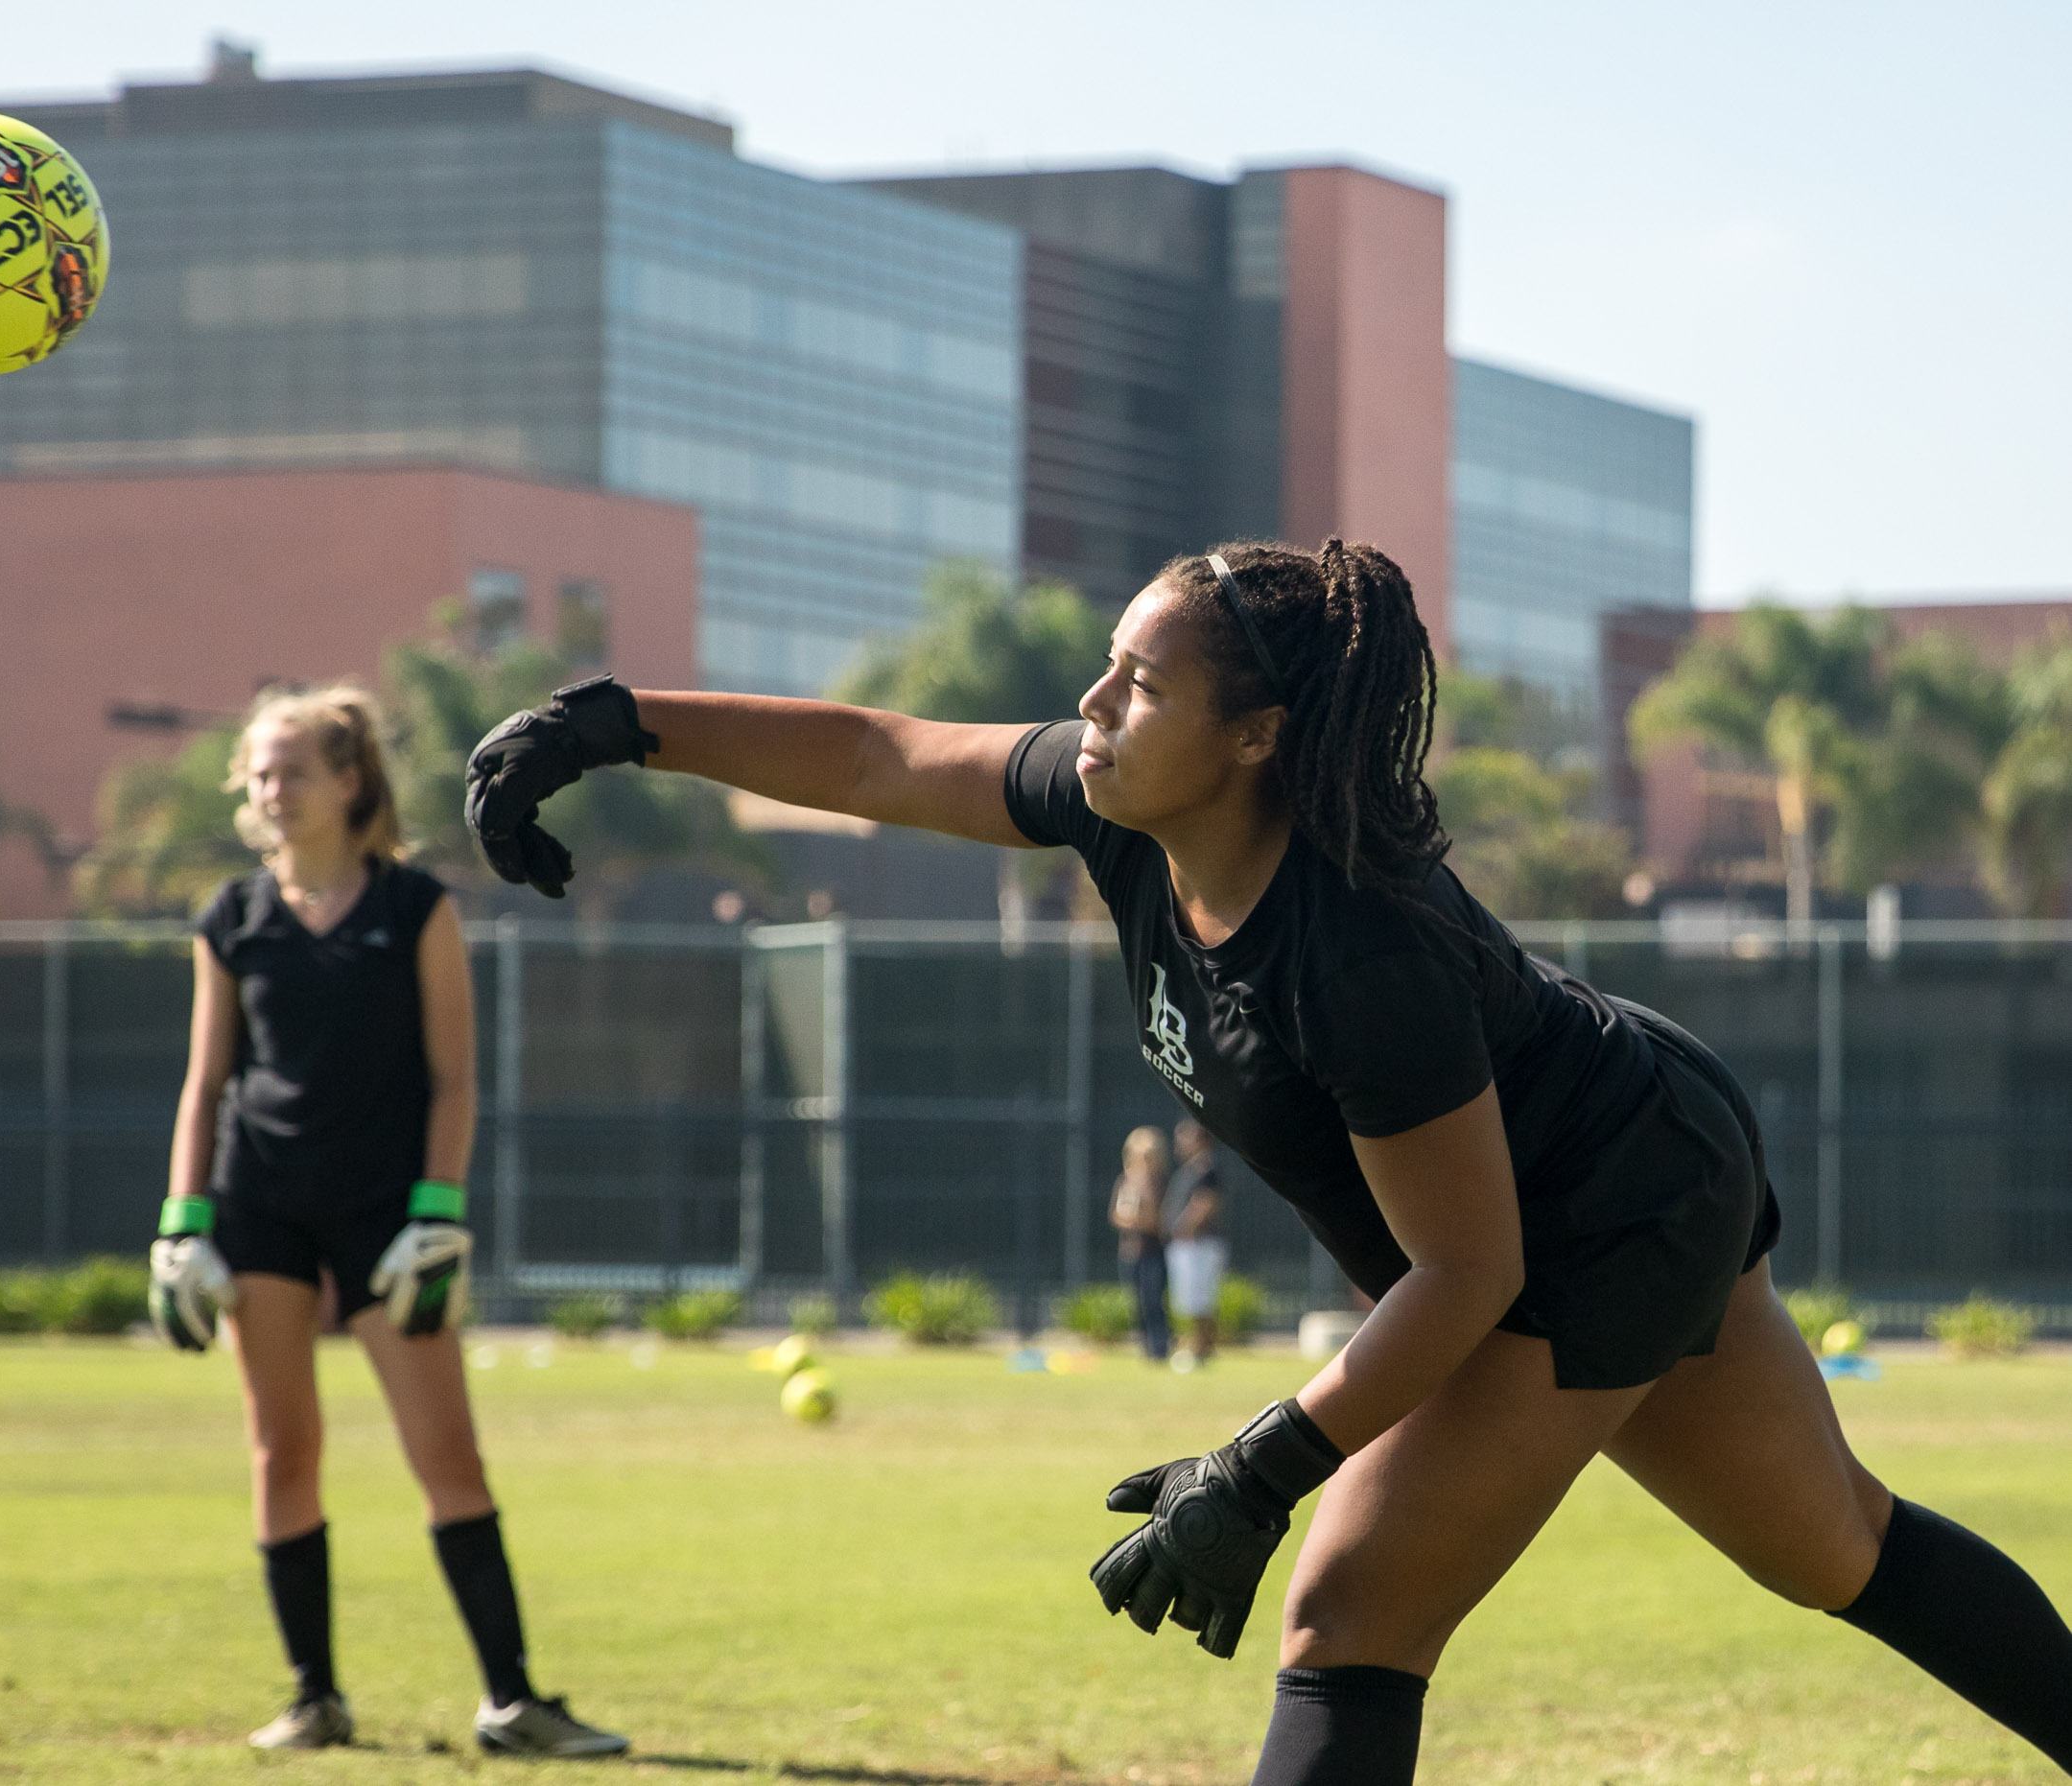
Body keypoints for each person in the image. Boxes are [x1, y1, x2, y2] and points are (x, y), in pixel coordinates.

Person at [463, 562, 2072, 1783]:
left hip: (1608, 1205)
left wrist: (1253, 1469)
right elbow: (887, 755)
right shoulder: (1121, 817)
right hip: (1600, 1164)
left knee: (1349, 1606)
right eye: (1105, 670)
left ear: (1255, 738)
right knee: (1833, 1544)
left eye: (1137, 684)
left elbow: (1470, 1275)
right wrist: (617, 726)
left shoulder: (1356, 950)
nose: (1091, 705)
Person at [149, 683, 625, 1757]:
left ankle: (514, 1700)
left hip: (386, 1217)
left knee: (446, 1458)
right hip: (259, 1207)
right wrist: (183, 1223)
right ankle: (314, 1695)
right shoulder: (230, 917)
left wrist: (437, 1213)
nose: (273, 791)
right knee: (281, 1453)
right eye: (260, 774)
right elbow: (204, 1083)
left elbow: (453, 1081)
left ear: (350, 779)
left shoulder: (415, 908)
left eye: (294, 771)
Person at [1165, 1119, 1227, 1364]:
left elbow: (1205, 1203)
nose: (1180, 1142)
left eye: (1186, 1137)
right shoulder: (1190, 1168)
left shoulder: (1206, 1169)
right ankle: (1197, 1348)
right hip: (1188, 1246)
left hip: (1199, 1244)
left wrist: (1184, 1228)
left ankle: (1200, 1350)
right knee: (1189, 1300)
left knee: (1200, 1300)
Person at [1110, 1127, 1173, 1361]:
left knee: (1154, 1300)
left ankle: (1160, 1348)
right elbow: (1115, 1214)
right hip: (1130, 1251)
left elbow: (1157, 1221)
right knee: (1137, 1302)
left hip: (1154, 1251)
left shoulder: (1161, 1183)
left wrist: (1141, 1210)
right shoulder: (1124, 1180)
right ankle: (1145, 1345)